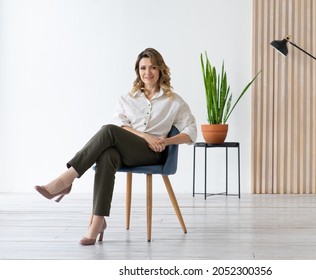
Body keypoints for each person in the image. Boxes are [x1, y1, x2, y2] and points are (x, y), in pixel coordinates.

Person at [34, 48, 197, 245]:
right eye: (143, 68)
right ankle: (98, 222)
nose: (148, 72)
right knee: (108, 155)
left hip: (153, 154)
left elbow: (191, 131)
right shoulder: (127, 99)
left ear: (161, 69)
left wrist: (166, 141)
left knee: (108, 131)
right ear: (137, 71)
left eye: (153, 67)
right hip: (129, 150)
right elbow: (122, 126)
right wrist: (145, 136)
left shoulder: (174, 101)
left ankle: (65, 180)